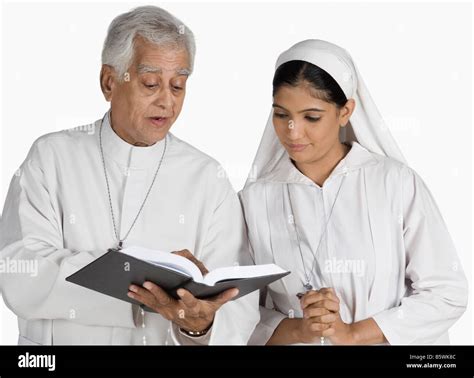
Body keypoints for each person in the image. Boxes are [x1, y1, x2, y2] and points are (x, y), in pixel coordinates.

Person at [0, 5, 259, 345]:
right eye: (151, 83)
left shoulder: (207, 177)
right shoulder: (52, 157)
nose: (167, 101)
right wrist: (142, 284)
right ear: (109, 82)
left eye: (178, 85)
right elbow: (20, 273)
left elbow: (235, 310)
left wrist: (198, 325)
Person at [239, 39, 468, 345]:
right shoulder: (254, 199)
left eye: (311, 117)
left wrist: (353, 333)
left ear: (345, 111)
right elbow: (235, 310)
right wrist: (301, 329)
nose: (293, 131)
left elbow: (447, 292)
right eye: (281, 115)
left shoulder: (395, 183)